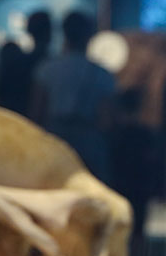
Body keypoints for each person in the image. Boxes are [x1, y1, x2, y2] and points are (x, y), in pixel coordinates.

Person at [30, 11, 115, 184]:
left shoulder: (48, 69)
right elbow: (107, 119)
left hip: (56, 138)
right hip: (89, 139)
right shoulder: (101, 74)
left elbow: (36, 112)